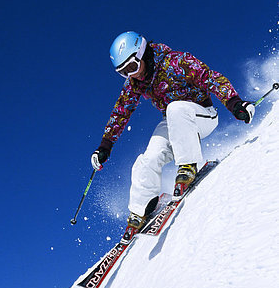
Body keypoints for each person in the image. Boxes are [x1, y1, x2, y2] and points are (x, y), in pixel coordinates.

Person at [91, 31, 255, 232]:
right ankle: (140, 211)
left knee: (175, 108)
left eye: (132, 66)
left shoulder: (176, 61)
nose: (132, 74)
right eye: (124, 72)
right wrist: (105, 146)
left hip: (202, 114)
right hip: (174, 123)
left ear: (142, 53)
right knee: (147, 160)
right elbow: (121, 112)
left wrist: (235, 103)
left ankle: (188, 166)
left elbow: (211, 78)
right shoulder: (134, 84)